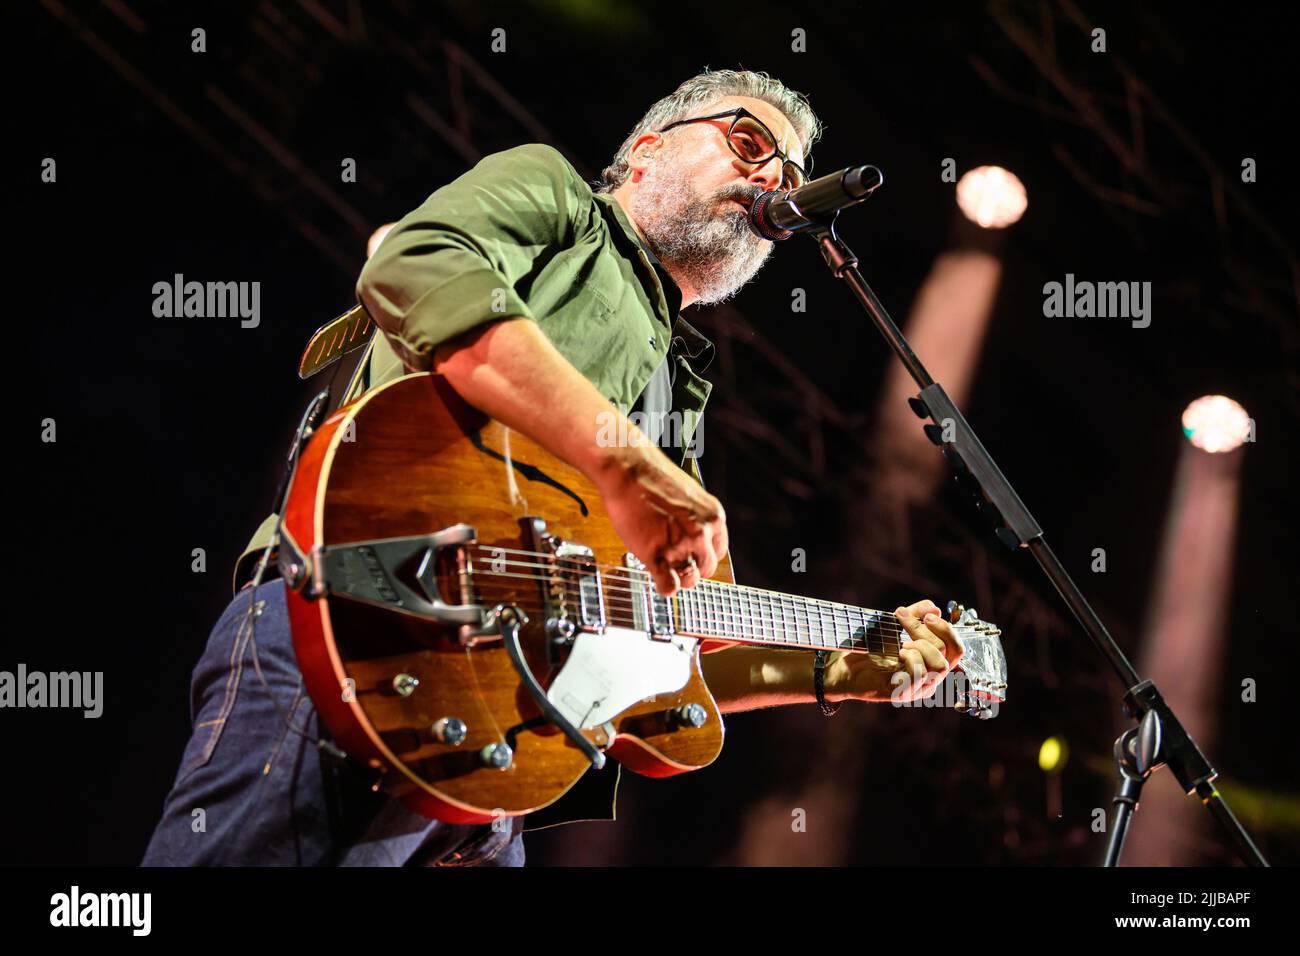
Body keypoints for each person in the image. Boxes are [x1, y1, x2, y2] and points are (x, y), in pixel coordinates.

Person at [141, 68, 962, 867]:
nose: (770, 183)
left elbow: (685, 645)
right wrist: (621, 457)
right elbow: (413, 263)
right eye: (748, 143)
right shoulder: (558, 198)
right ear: (646, 147)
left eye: (786, 175)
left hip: (502, 747)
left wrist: (844, 666)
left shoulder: (677, 379)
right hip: (364, 615)